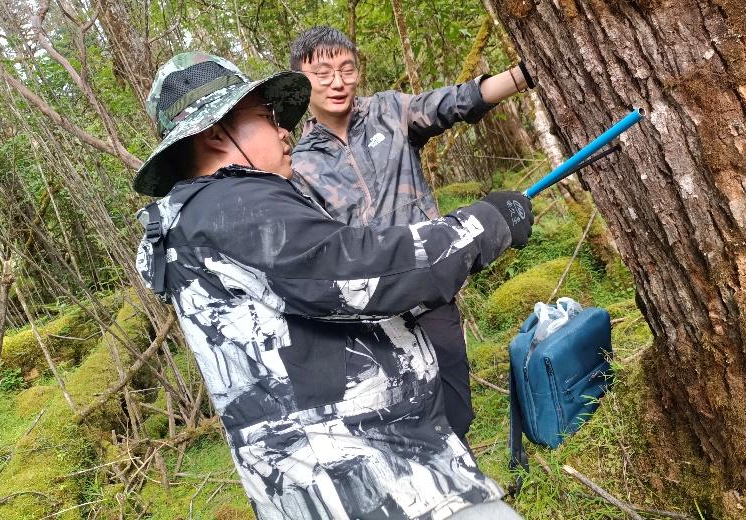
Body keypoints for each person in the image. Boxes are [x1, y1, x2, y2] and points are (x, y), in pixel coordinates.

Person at [132, 52, 533, 519]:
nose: (285, 132)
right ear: (216, 132)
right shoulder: (234, 207)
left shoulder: (195, 225)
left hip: (326, 488)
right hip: (380, 483)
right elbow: (364, 271)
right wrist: (487, 223)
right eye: (267, 117)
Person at [289, 26, 536, 446]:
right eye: (323, 73)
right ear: (301, 81)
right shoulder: (301, 162)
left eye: (347, 69)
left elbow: (455, 102)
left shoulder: (389, 111)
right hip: (371, 310)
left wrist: (523, 75)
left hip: (430, 284)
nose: (338, 82)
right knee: (402, 415)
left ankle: (464, 483)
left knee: (456, 407)